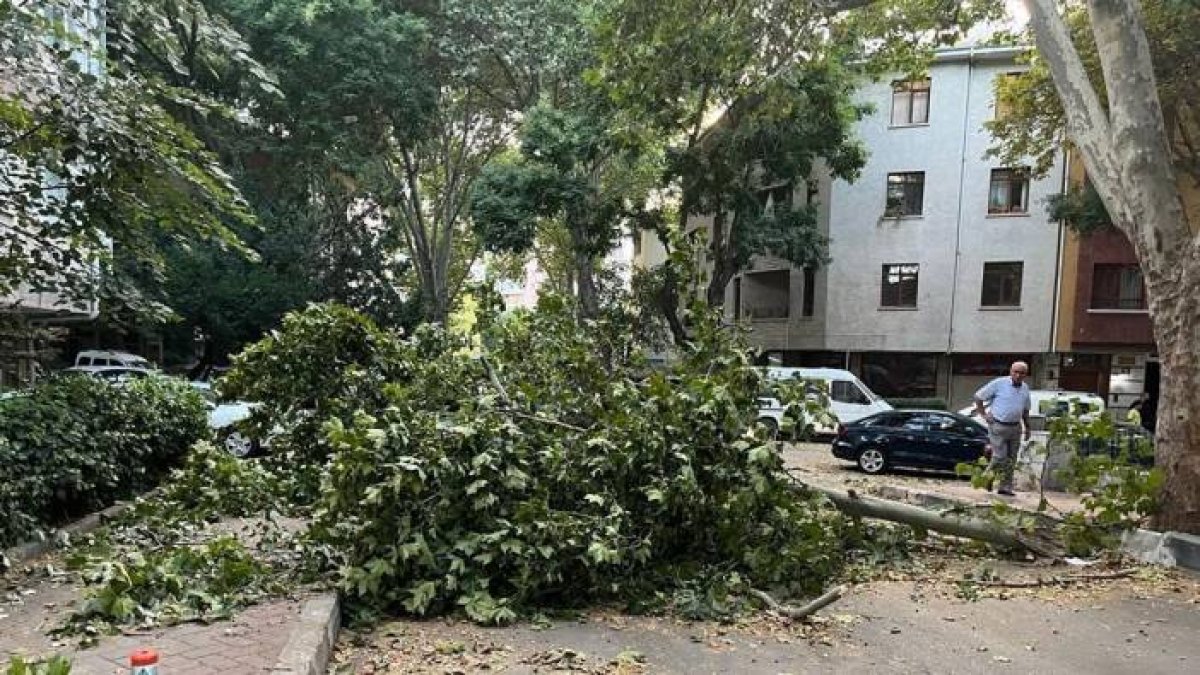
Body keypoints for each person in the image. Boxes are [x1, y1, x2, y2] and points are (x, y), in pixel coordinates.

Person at [973, 361, 1032, 496]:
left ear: (1025, 375)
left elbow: (1025, 410)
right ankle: (986, 478)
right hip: (998, 425)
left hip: (1015, 427)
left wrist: (1028, 427)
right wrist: (983, 414)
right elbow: (978, 396)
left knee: (1011, 459)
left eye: (1022, 373)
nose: (1018, 375)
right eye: (1015, 372)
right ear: (1010, 371)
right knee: (1000, 456)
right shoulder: (999, 383)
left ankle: (1005, 487)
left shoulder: (1025, 388)